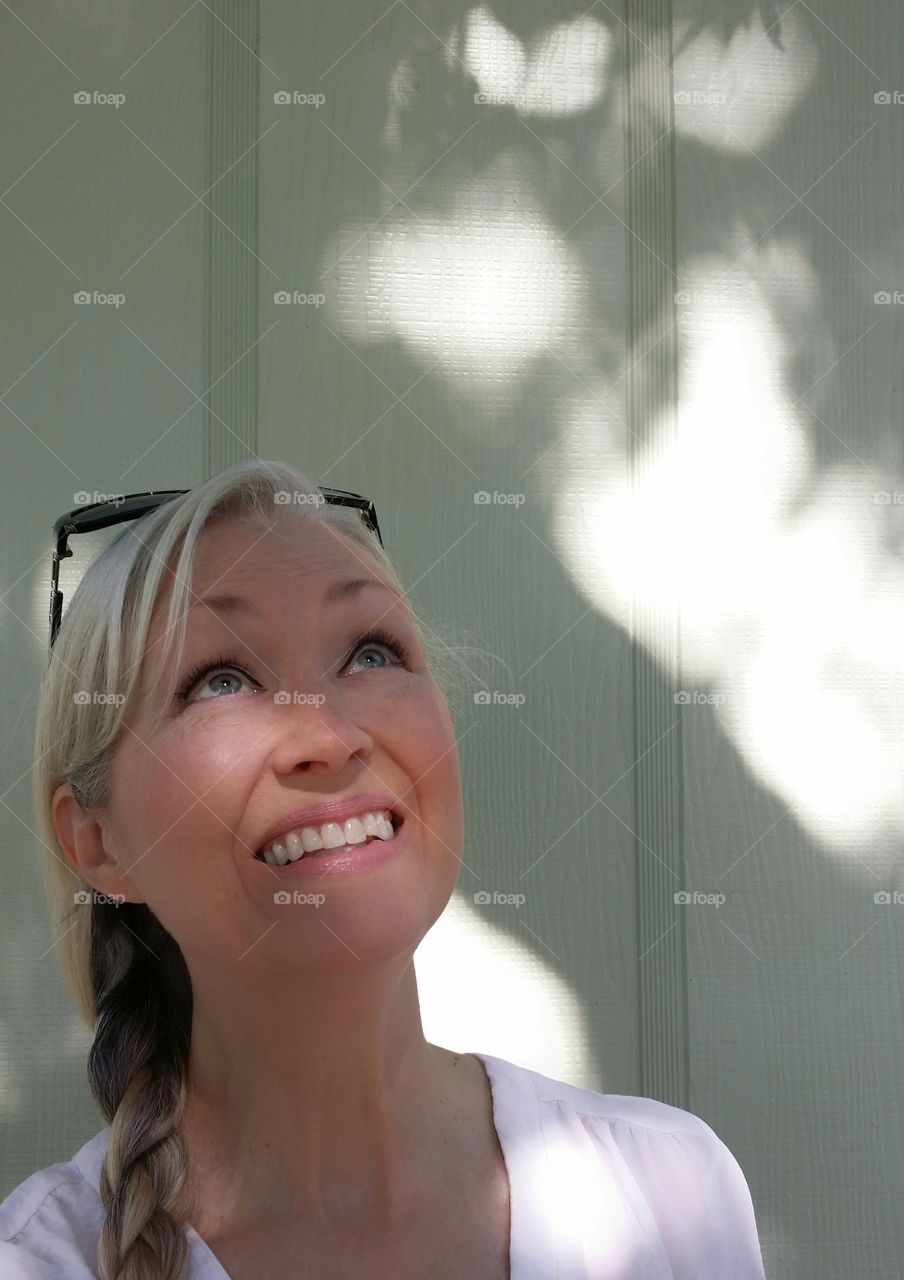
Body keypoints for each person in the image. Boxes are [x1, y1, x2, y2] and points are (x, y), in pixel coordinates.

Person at [1, 459, 768, 1279]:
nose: (328, 737)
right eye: (219, 681)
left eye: (370, 654)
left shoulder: (674, 1192)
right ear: (97, 844)